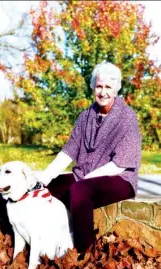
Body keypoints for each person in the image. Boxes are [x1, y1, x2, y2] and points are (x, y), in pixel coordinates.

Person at [36, 61, 142, 253]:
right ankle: (55, 241)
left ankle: (85, 253)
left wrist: (85, 180)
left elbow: (119, 164)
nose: (103, 92)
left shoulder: (127, 117)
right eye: (99, 86)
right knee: (51, 188)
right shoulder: (85, 117)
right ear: (93, 87)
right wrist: (44, 177)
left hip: (120, 178)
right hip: (85, 175)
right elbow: (68, 151)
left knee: (80, 190)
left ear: (116, 88)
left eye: (108, 87)